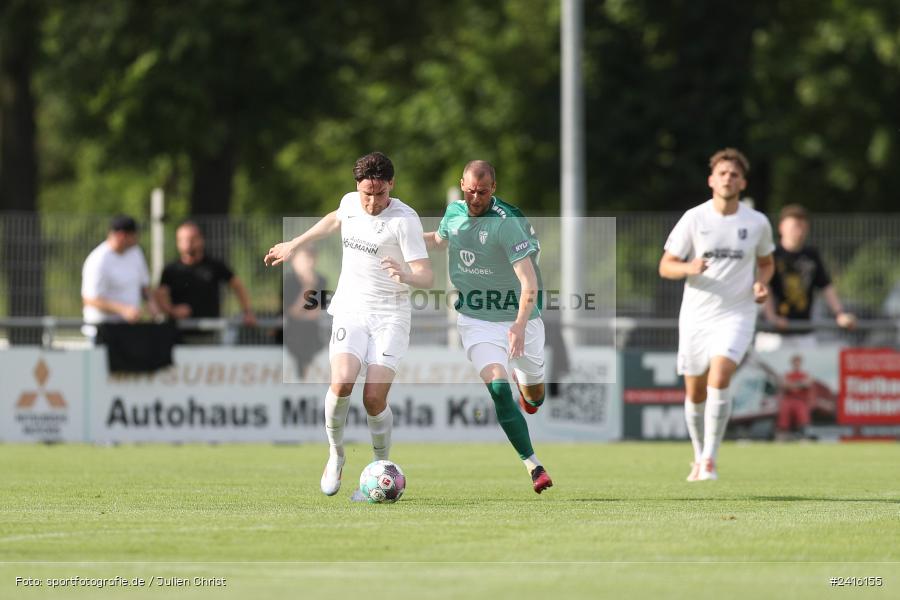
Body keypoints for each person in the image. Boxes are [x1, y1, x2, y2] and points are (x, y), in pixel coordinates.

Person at [264, 152, 433, 497]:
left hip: (390, 316)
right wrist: (294, 244)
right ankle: (336, 454)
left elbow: (427, 276)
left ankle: (379, 466)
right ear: (357, 187)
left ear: (392, 185)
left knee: (373, 398)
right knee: (341, 383)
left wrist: (406, 275)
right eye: (366, 193)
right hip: (352, 309)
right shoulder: (350, 203)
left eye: (380, 194)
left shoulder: (405, 220)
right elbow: (334, 219)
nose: (372, 202)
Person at [423, 160, 553, 494]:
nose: (474, 198)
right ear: (461, 184)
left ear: (493, 188)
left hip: (520, 320)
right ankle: (534, 466)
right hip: (477, 320)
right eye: (469, 191)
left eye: (482, 192)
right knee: (497, 388)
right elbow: (439, 240)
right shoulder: (454, 211)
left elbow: (529, 282)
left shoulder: (506, 224)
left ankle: (528, 392)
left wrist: (520, 326)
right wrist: (400, 238)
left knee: (535, 397)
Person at [659, 148, 775, 482]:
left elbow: (767, 263)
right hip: (697, 317)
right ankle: (698, 456)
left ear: (743, 182)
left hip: (736, 313)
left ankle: (710, 458)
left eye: (734, 174)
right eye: (722, 173)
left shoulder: (756, 223)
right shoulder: (695, 218)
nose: (728, 178)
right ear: (712, 180)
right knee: (695, 391)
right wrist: (688, 267)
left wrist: (760, 284)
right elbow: (665, 266)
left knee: (720, 375)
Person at [755, 204, 856, 352]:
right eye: (794, 226)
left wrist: (839, 314)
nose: (799, 232)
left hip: (803, 331)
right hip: (773, 334)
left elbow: (826, 286)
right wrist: (772, 318)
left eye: (802, 227)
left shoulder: (811, 255)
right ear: (782, 227)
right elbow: (765, 286)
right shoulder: (773, 254)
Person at [156, 221, 256, 343]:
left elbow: (238, 286)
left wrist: (247, 311)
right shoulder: (171, 270)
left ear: (200, 240)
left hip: (210, 335)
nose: (186, 244)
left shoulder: (214, 265)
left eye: (191, 239)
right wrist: (173, 310)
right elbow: (160, 296)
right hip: (178, 335)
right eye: (182, 240)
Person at [81, 215, 159, 341]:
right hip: (101, 331)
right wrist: (123, 310)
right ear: (122, 235)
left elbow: (143, 286)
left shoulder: (135, 253)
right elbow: (90, 299)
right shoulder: (98, 260)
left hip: (129, 329)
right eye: (134, 235)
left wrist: (151, 303)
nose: (137, 239)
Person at [282, 246, 328, 378]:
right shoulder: (288, 281)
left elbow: (316, 312)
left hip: (313, 335)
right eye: (304, 259)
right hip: (292, 335)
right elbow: (293, 312)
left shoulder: (321, 280)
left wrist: (302, 314)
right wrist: (308, 287)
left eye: (311, 258)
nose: (308, 263)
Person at [776, 354, 814, 440]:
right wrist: (799, 384)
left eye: (798, 362)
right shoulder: (787, 374)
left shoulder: (805, 374)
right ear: (792, 363)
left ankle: (803, 437)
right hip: (789, 400)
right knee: (784, 415)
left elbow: (808, 383)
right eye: (795, 362)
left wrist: (792, 384)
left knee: (802, 416)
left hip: (800, 400)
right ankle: (782, 437)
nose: (796, 364)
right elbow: (784, 385)